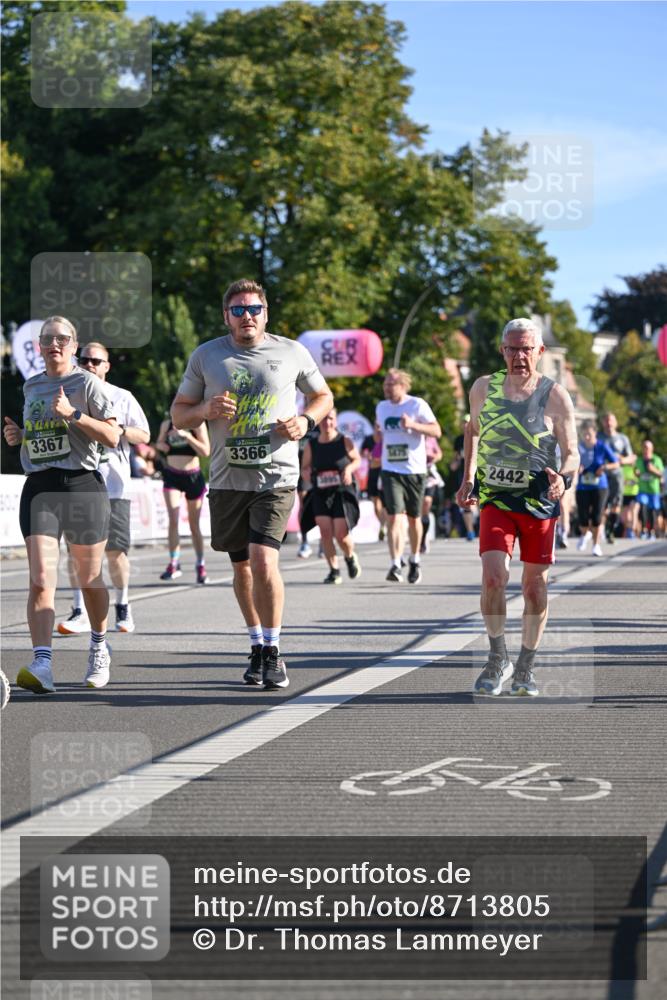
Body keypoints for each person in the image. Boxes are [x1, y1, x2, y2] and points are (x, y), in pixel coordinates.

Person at [170, 278, 333, 689]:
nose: (247, 316)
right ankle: (257, 643)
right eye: (238, 310)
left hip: (276, 475)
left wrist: (305, 420)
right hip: (227, 479)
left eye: (254, 309)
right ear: (226, 316)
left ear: (266, 313)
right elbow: (178, 414)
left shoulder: (291, 351)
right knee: (241, 566)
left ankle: (275, 650)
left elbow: (323, 396)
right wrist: (205, 408)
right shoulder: (206, 356)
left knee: (264, 560)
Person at [456, 317, 578, 698]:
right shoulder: (482, 388)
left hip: (539, 501)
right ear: (502, 351)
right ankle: (497, 658)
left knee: (534, 588)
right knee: (494, 576)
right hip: (496, 499)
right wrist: (468, 477)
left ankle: (526, 665)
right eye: (512, 348)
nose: (519, 356)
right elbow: (471, 430)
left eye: (527, 348)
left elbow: (572, 452)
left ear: (540, 352)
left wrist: (563, 478)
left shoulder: (555, 395)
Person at [2, 316, 120, 694]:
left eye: (62, 339)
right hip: (40, 486)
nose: (55, 344)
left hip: (81, 485)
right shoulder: (32, 386)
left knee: (88, 578)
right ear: (39, 346)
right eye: (48, 339)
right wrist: (21, 436)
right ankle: (42, 663)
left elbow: (114, 436)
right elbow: (41, 434)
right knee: (40, 580)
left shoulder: (88, 384)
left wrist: (74, 414)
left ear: (74, 346)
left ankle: (99, 645)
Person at [57, 342, 150, 635]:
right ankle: (78, 609)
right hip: (78, 482)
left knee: (115, 552)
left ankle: (123, 605)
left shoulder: (122, 397)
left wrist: (118, 430)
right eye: (84, 360)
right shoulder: (67, 395)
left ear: (107, 366)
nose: (90, 365)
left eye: (97, 361)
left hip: (113, 485)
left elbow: (144, 433)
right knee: (75, 552)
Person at [376, 368, 441, 583]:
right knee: (393, 516)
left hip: (414, 470)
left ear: (403, 386)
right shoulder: (382, 407)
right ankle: (395, 563)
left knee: (414, 519)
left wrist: (412, 425)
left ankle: (414, 559)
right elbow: (381, 434)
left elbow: (436, 431)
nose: (386, 387)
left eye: (391, 384)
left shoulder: (417, 405)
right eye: (385, 383)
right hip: (390, 469)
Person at [300, 408, 362, 584]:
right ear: (318, 422)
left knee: (341, 534)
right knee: (325, 532)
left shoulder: (344, 441)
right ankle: (334, 570)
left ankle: (350, 556)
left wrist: (349, 469)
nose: (327, 422)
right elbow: (305, 466)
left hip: (341, 491)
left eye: (331, 419)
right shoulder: (312, 445)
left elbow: (357, 460)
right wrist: (306, 473)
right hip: (321, 492)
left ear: (335, 420)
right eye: (324, 419)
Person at [155, 414, 210, 582]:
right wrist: (164, 443)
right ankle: (173, 562)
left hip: (193, 476)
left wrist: (187, 436)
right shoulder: (168, 424)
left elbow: (206, 451)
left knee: (194, 525)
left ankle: (200, 564)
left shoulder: (198, 424)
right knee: (173, 519)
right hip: (173, 475)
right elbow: (159, 445)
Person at [575, 420, 619, 557]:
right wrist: (577, 466)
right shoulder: (579, 447)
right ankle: (584, 534)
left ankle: (596, 545)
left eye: (589, 434)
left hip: (600, 486)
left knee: (597, 516)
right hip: (583, 486)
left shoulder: (602, 446)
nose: (586, 437)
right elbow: (571, 460)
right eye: (584, 434)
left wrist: (604, 467)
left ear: (595, 433)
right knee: (582, 517)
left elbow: (616, 463)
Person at [598, 412, 635, 544]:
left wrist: (622, 460)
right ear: (603, 423)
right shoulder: (599, 437)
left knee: (615, 505)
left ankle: (610, 530)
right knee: (601, 505)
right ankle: (601, 530)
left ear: (616, 423)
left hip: (617, 477)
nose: (609, 423)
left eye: (611, 420)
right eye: (606, 420)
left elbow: (631, 458)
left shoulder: (622, 438)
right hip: (601, 476)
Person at [450, 415, 476, 541]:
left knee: (482, 501)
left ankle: (484, 529)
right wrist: (454, 464)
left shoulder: (479, 436)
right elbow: (455, 457)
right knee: (466, 502)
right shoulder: (459, 439)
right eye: (464, 423)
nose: (465, 425)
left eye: (468, 422)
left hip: (478, 473)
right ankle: (470, 531)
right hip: (464, 474)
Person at [361, 429, 387, 541]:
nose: (378, 428)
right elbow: (362, 452)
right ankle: (382, 524)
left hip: (386, 473)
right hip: (373, 473)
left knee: (386, 504)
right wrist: (367, 455)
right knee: (375, 503)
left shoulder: (387, 437)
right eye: (376, 425)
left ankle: (385, 525)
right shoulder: (368, 439)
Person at [635, 439, 664, 539]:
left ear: (652, 449)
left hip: (654, 491)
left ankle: (651, 531)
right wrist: (636, 473)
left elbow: (661, 474)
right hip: (643, 490)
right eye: (644, 447)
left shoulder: (657, 460)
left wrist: (653, 470)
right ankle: (644, 530)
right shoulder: (639, 460)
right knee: (643, 507)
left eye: (648, 447)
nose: (646, 449)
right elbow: (636, 472)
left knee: (653, 511)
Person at [421, 434, 444, 552]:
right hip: (414, 474)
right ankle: (419, 537)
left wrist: (432, 457)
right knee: (416, 512)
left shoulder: (431, 438)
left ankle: (424, 538)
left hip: (429, 476)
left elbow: (439, 454)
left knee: (426, 502)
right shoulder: (411, 435)